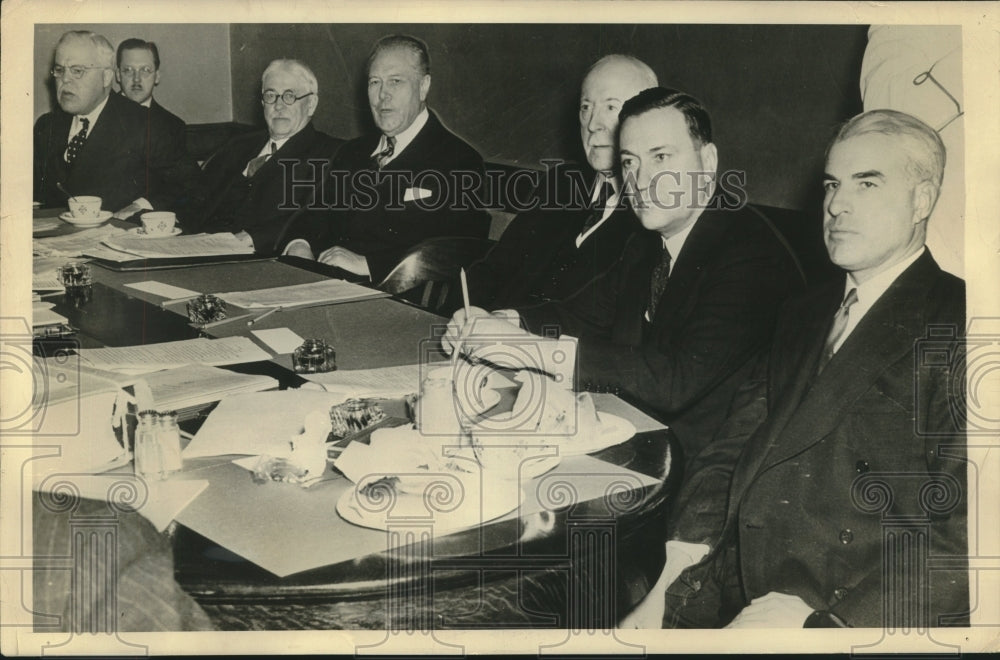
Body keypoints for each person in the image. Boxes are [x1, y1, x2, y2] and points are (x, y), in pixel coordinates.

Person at [622, 109, 968, 629]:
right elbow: (729, 452)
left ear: (922, 200)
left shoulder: (962, 321)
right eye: (832, 184)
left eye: (866, 185)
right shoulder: (803, 312)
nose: (837, 204)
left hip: (851, 613)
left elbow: (969, 538)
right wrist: (675, 577)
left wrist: (821, 626)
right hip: (735, 585)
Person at [443, 87, 802, 470]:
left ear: (708, 160)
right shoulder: (646, 241)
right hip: (641, 439)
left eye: (661, 157)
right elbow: (582, 313)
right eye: (630, 162)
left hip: (710, 470)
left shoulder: (752, 252)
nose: (641, 180)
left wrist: (527, 349)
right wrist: (506, 321)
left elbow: (673, 379)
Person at [455, 55, 655, 311]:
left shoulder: (656, 210)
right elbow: (494, 268)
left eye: (610, 107)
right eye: (586, 107)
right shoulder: (561, 183)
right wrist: (466, 315)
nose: (593, 124)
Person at [284, 34, 490, 283]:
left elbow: (461, 250)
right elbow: (313, 215)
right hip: (325, 285)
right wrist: (300, 244)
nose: (383, 95)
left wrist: (368, 264)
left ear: (423, 87)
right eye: (375, 82)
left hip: (400, 300)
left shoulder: (459, 161)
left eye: (395, 81)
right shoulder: (352, 153)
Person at [33, 30, 199, 218]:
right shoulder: (46, 127)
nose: (65, 79)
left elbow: (189, 186)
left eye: (77, 71)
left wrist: (139, 207)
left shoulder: (146, 124)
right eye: (60, 70)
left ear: (106, 77)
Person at [183, 59, 341, 256]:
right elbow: (195, 197)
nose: (278, 106)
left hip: (260, 259)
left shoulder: (331, 153)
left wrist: (254, 237)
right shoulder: (238, 145)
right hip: (195, 249)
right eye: (271, 95)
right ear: (262, 103)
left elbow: (319, 217)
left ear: (311, 104)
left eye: (290, 96)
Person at [115, 38, 187, 145]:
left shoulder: (173, 126)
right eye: (128, 70)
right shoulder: (98, 115)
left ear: (157, 77)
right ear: (118, 75)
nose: (136, 79)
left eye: (145, 70)